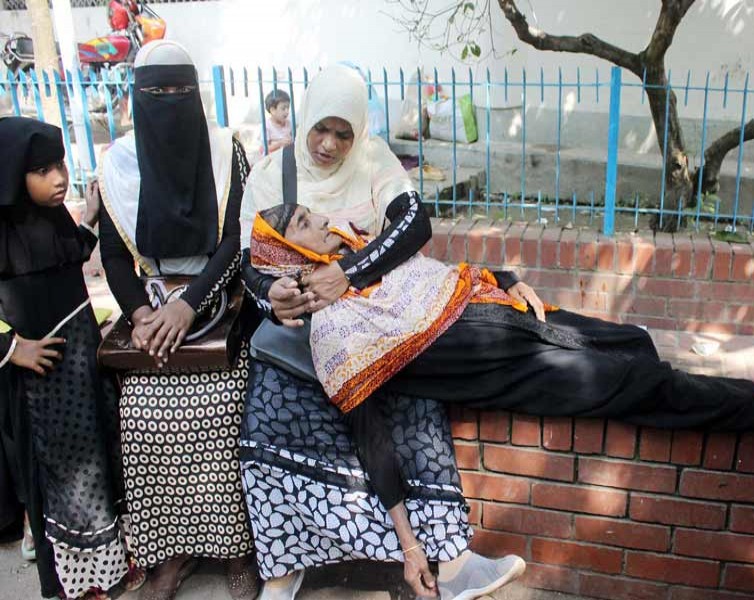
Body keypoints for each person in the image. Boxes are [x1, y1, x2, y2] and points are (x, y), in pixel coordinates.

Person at [251, 202, 754, 451]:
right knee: (645, 387)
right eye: (306, 223)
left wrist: (499, 277)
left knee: (635, 342)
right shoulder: (335, 334)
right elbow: (369, 430)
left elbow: (420, 231)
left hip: (525, 319)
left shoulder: (365, 251)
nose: (323, 219)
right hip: (525, 371)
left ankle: (741, 394)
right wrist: (411, 546)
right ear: (291, 255)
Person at [239, 65, 526, 600]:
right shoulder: (270, 177)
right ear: (303, 121)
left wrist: (347, 271)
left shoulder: (372, 160)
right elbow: (247, 262)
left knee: (416, 403)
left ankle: (452, 560)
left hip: (376, 323)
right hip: (295, 337)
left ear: (358, 131)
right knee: (266, 417)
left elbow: (413, 223)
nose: (329, 144)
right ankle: (284, 568)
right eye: (320, 128)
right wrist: (271, 297)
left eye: (343, 132)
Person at [98, 41, 259, 600]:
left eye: (179, 90)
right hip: (150, 302)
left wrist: (188, 305)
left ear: (195, 90)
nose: (168, 101)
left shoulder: (224, 150)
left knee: (220, 419)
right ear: (135, 97)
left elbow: (237, 239)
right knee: (142, 423)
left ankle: (236, 549)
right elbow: (115, 256)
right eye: (156, 91)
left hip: (215, 298)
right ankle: (169, 555)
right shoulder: (117, 163)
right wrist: (143, 313)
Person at [0, 117, 142, 599]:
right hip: (42, 386)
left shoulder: (52, 217)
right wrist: (13, 349)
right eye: (42, 169)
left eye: (59, 164)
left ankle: (111, 565)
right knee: (63, 474)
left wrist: (89, 220)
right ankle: (77, 580)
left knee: (99, 460)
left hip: (81, 365)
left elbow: (64, 259)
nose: (59, 177)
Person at [263, 89, 294, 155]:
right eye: (283, 108)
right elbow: (264, 149)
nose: (287, 111)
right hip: (272, 158)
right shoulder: (267, 126)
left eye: (288, 108)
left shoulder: (289, 124)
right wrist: (280, 143)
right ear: (273, 110)